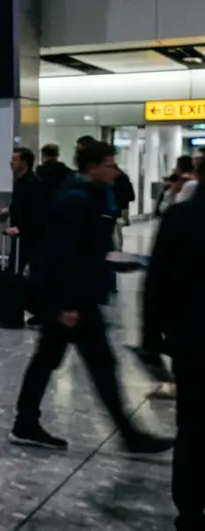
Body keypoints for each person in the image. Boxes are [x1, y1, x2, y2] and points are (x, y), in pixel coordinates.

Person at [9, 140, 173, 455]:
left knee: (55, 361)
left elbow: (81, 250)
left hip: (73, 298)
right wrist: (67, 304)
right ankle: (127, 435)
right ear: (93, 167)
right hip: (72, 301)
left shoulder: (85, 195)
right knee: (93, 364)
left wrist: (109, 261)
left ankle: (26, 422)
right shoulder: (76, 199)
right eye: (110, 165)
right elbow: (61, 254)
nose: (115, 171)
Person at [142, 173, 205, 530]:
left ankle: (190, 510)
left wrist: (152, 336)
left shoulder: (180, 217)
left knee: (193, 426)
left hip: (192, 338)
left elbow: (157, 279)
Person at [0, 147, 42, 274]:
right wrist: (8, 211)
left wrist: (21, 228)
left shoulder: (34, 184)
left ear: (24, 162)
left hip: (28, 238)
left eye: (15, 159)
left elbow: (36, 212)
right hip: (18, 236)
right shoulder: (20, 182)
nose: (11, 162)